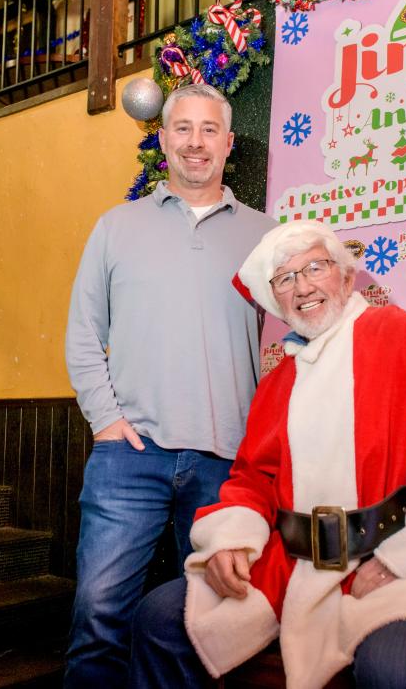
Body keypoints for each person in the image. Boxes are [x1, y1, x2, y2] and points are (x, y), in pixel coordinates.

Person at [128, 220, 406, 689]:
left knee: (390, 669)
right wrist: (230, 539)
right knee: (160, 618)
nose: (304, 286)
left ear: (347, 278)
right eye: (286, 278)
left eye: (316, 267)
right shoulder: (277, 384)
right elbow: (252, 479)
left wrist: (399, 559)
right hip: (289, 567)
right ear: (276, 301)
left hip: (398, 566)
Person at [63, 83, 277, 687]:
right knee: (99, 615)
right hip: (129, 456)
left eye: (209, 130)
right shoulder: (116, 226)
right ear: (163, 140)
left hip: (227, 463)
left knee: (212, 622)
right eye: (183, 128)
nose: (195, 142)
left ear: (229, 144)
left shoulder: (266, 236)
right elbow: (83, 333)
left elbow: (306, 328)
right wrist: (106, 421)